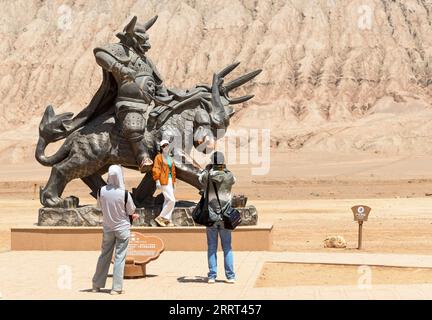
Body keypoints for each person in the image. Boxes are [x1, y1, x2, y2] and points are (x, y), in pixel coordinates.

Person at [92, 165, 139, 295]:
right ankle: (116, 288)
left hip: (107, 228)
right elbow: (131, 210)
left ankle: (96, 285)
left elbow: (99, 206)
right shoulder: (124, 193)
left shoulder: (101, 191)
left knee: (104, 255)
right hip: (122, 228)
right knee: (119, 257)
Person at [198, 151, 236, 284]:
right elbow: (234, 180)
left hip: (211, 217)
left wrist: (206, 169)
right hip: (225, 217)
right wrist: (223, 169)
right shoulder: (228, 175)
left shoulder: (207, 175)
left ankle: (212, 275)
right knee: (227, 247)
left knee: (212, 247)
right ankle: (230, 276)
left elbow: (199, 179)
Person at [152, 139, 176, 227]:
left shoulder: (170, 158)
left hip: (170, 180)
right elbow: (156, 169)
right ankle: (161, 217)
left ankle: (167, 220)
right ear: (161, 148)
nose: (165, 147)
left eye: (167, 145)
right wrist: (157, 180)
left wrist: (174, 182)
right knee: (172, 200)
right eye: (163, 146)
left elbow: (173, 171)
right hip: (163, 180)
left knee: (167, 200)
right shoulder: (158, 157)